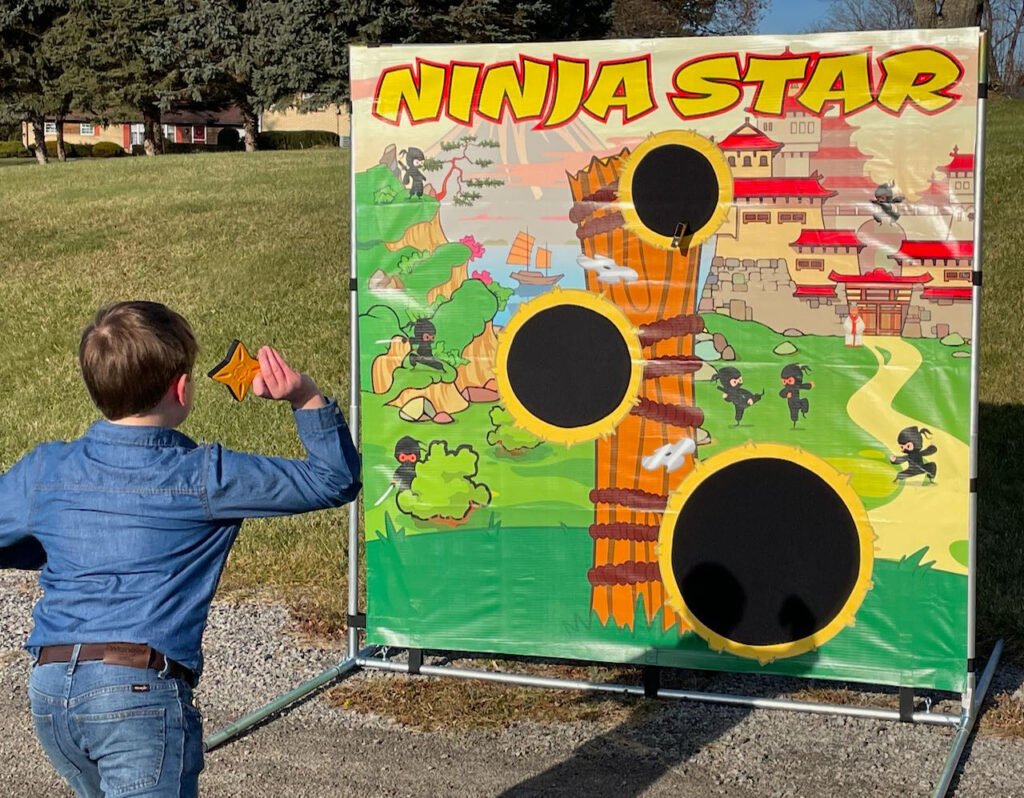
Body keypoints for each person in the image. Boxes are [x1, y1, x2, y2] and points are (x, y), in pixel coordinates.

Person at [0, 301, 361, 797]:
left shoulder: (46, 469)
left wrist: (53, 549)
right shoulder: (205, 475)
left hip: (51, 688)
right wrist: (304, 395)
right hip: (136, 693)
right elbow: (333, 480)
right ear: (183, 388)